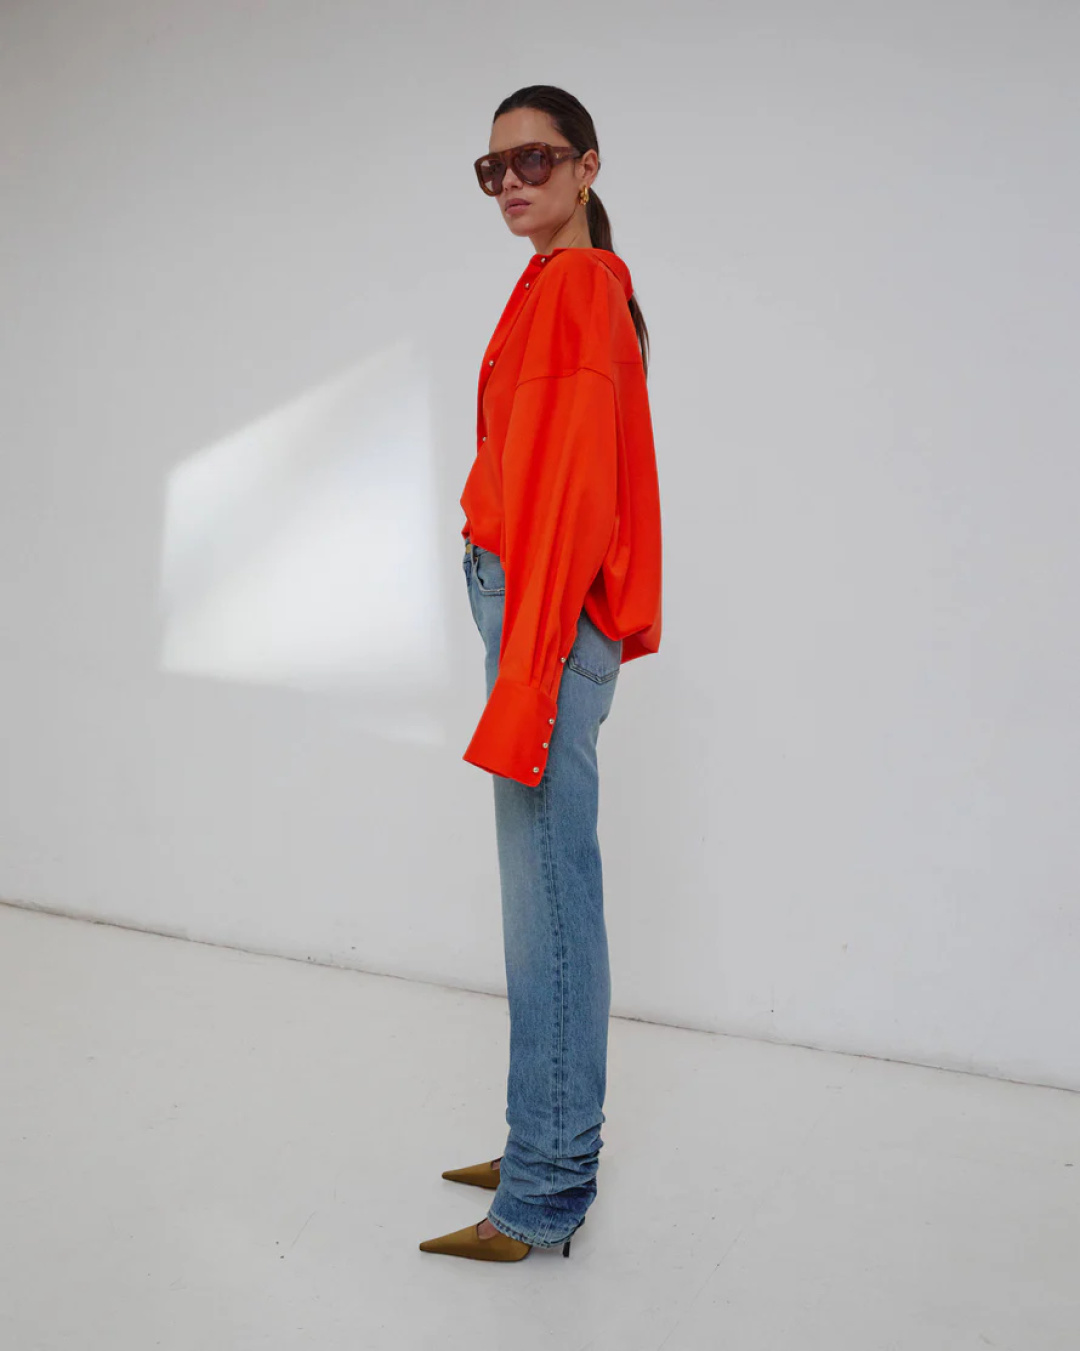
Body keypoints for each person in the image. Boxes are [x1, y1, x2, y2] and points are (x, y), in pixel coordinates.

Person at [419, 85, 662, 1263]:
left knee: (549, 903)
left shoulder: (574, 287)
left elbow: (570, 494)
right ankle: (542, 1139)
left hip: (544, 616)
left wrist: (530, 661)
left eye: (535, 159)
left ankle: (546, 1188)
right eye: (493, 167)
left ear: (587, 165)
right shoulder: (565, 284)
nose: (511, 182)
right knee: (546, 891)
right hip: (539, 609)